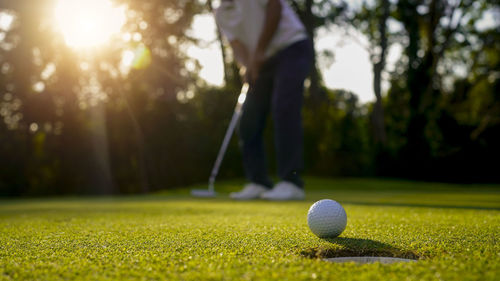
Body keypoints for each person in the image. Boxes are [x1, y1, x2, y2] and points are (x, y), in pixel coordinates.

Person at [215, 0, 313, 200]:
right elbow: (236, 44)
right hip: (262, 61)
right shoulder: (220, 12)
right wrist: (247, 65)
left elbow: (274, 7)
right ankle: (258, 181)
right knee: (248, 119)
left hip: (291, 47)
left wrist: (259, 52)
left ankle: (291, 182)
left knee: (284, 108)